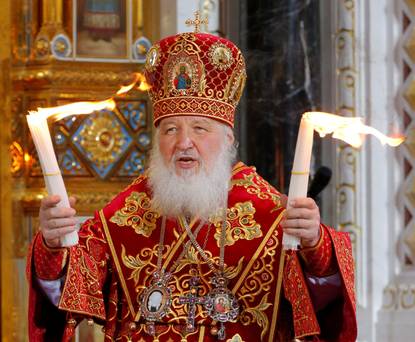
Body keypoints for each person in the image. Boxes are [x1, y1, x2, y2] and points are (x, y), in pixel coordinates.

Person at [27, 27, 357, 342]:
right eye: (170, 130)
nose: (184, 142)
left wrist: (315, 242)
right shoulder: (122, 217)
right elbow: (66, 293)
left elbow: (322, 300)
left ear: (228, 139)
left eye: (200, 128)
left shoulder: (271, 215)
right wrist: (53, 245)